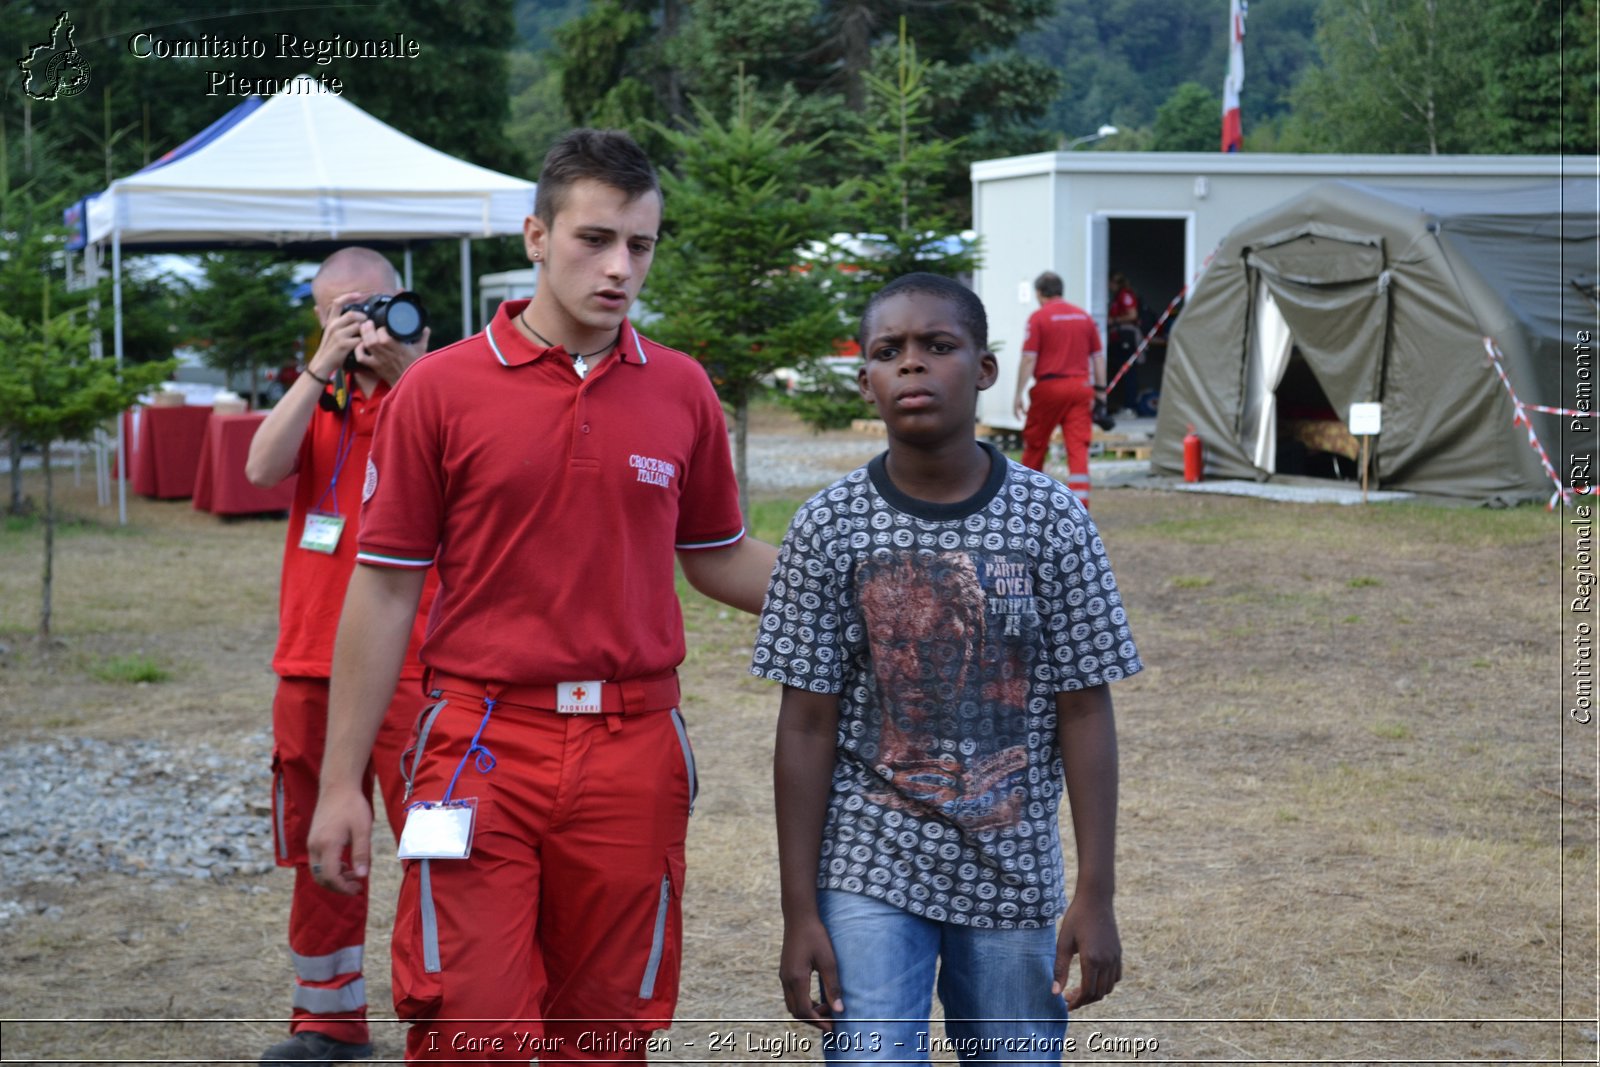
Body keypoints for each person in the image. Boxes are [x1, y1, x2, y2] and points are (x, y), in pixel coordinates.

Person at [305, 128, 777, 1063]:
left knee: (606, 1031)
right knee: (471, 1029)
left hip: (633, 748)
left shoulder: (681, 389)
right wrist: (338, 785)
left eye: (639, 245)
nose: (618, 267)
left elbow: (717, 554)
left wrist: (872, 584)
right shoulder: (437, 391)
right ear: (534, 236)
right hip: (479, 743)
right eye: (592, 239)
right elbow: (386, 588)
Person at [755, 272, 1139, 1063]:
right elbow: (805, 722)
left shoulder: (1052, 520)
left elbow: (1085, 709)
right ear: (866, 379)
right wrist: (801, 911)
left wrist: (1094, 893)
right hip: (868, 857)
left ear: (987, 368)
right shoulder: (827, 526)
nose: (912, 366)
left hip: (1014, 862)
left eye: (938, 346)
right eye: (888, 352)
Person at [245, 246, 436, 1065]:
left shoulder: (433, 393)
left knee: (438, 847)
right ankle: (327, 1021)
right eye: (341, 310)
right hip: (311, 661)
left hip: (417, 662)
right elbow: (258, 469)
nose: (362, 322)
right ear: (319, 316)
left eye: (376, 305)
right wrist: (315, 370)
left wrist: (409, 374)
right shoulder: (313, 401)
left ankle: (447, 1015)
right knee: (324, 852)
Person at [1012, 271, 1106, 509]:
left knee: (1036, 443)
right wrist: (1101, 392)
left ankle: (1026, 501)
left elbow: (1028, 359)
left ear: (1040, 293)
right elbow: (1098, 359)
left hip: (1049, 388)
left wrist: (1018, 394)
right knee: (1077, 447)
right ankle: (1080, 506)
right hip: (1081, 387)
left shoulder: (1039, 318)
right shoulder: (1084, 317)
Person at [1106, 271, 1143, 415]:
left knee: (1128, 372)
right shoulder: (1117, 297)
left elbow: (1133, 314)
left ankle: (1130, 407)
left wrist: (1114, 321)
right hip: (1116, 339)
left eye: (1110, 283)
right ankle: (1122, 405)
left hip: (1126, 338)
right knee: (1118, 371)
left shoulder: (1125, 295)